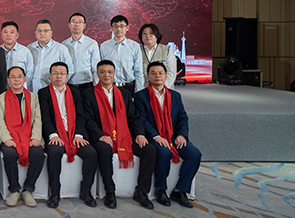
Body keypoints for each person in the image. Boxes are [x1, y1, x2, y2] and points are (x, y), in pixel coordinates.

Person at [81, 60, 156, 209]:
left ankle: (142, 191)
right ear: (97, 74)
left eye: (110, 72)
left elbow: (134, 117)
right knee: (104, 149)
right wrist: (100, 135)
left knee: (149, 150)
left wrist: (140, 134)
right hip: (102, 136)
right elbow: (88, 119)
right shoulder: (88, 94)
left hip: (124, 136)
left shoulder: (124, 94)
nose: (106, 75)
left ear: (114, 74)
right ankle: (110, 191)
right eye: (102, 72)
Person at [135, 61, 201, 208]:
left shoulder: (175, 96)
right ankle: (161, 189)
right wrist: (156, 136)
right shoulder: (141, 96)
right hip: (154, 136)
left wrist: (182, 135)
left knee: (194, 154)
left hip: (173, 136)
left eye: (160, 73)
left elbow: (183, 118)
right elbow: (142, 120)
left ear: (166, 76)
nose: (157, 76)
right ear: (148, 76)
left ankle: (180, 190)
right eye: (153, 73)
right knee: (164, 153)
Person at [37, 62, 98, 208]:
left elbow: (81, 116)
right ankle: (54, 193)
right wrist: (53, 135)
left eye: (62, 73)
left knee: (91, 153)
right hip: (55, 134)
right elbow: (45, 117)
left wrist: (79, 135)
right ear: (50, 76)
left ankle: (86, 191)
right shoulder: (43, 93)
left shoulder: (75, 93)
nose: (59, 76)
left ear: (67, 76)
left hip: (74, 134)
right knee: (54, 152)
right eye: (55, 73)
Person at [0, 66, 45, 207]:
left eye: (19, 76)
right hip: (9, 137)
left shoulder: (33, 98)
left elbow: (38, 120)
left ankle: (28, 189)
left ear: (24, 79)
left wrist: (35, 137)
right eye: (13, 77)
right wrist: (7, 139)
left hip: (29, 136)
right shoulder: (1, 99)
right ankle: (14, 190)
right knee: (9, 154)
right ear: (8, 80)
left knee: (38, 153)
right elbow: (0, 122)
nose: (16, 79)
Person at [99, 15, 144, 92]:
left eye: (122, 26)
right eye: (116, 26)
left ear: (127, 28)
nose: (119, 29)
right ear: (111, 28)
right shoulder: (104, 46)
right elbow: (100, 69)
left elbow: (138, 71)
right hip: (110, 87)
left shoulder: (134, 46)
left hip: (129, 87)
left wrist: (138, 92)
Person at [28, 19, 73, 92]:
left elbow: (70, 70)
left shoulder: (60, 49)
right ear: (35, 33)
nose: (42, 33)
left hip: (53, 92)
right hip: (33, 91)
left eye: (46, 30)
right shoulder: (29, 48)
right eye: (39, 31)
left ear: (51, 32)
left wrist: (59, 85)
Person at [62, 13, 100, 93]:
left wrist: (96, 86)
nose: (77, 24)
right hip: (68, 85)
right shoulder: (63, 45)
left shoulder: (92, 43)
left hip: (86, 85)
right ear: (69, 25)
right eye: (73, 22)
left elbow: (96, 67)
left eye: (80, 22)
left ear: (84, 25)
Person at [139, 23, 177, 89]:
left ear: (157, 35)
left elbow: (171, 72)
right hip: (142, 89)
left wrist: (161, 88)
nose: (148, 36)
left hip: (164, 89)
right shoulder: (137, 50)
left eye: (151, 33)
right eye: (145, 33)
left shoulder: (167, 50)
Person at [0, 21, 34, 91]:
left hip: (20, 90)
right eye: (5, 32)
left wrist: (19, 84)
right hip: (1, 90)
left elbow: (30, 73)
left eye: (12, 32)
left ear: (17, 35)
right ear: (1, 35)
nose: (8, 35)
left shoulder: (25, 51)